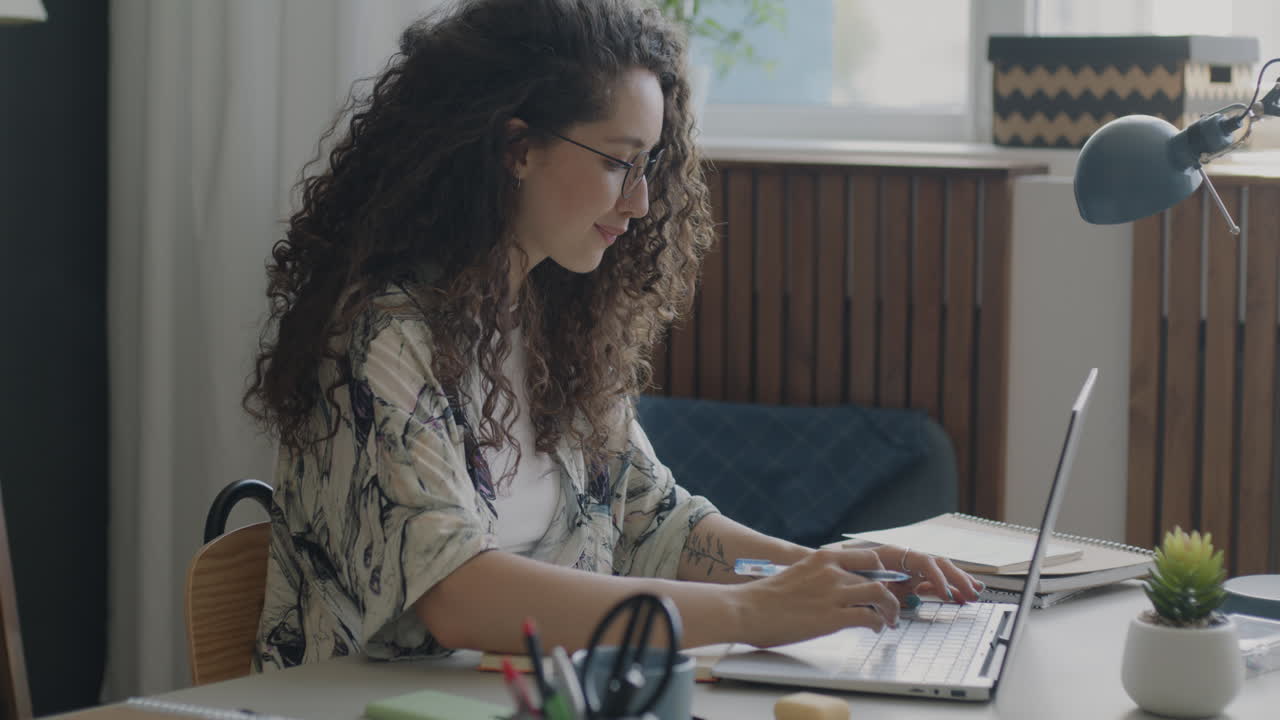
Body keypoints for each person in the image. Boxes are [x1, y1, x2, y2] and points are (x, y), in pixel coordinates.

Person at [243, 0, 981, 671]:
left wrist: (831, 576)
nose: (641, 201)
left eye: (650, 163)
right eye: (619, 162)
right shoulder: (380, 335)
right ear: (517, 148)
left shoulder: (553, 320)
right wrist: (752, 612)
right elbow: (457, 593)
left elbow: (651, 520)